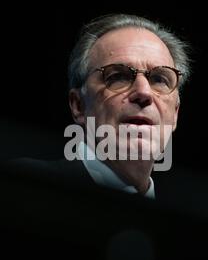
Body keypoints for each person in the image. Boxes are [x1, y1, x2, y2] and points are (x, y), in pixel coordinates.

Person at [66, 13, 191, 198]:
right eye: (118, 77)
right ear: (78, 105)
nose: (144, 92)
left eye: (159, 79)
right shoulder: (28, 188)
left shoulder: (190, 221)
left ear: (175, 113)